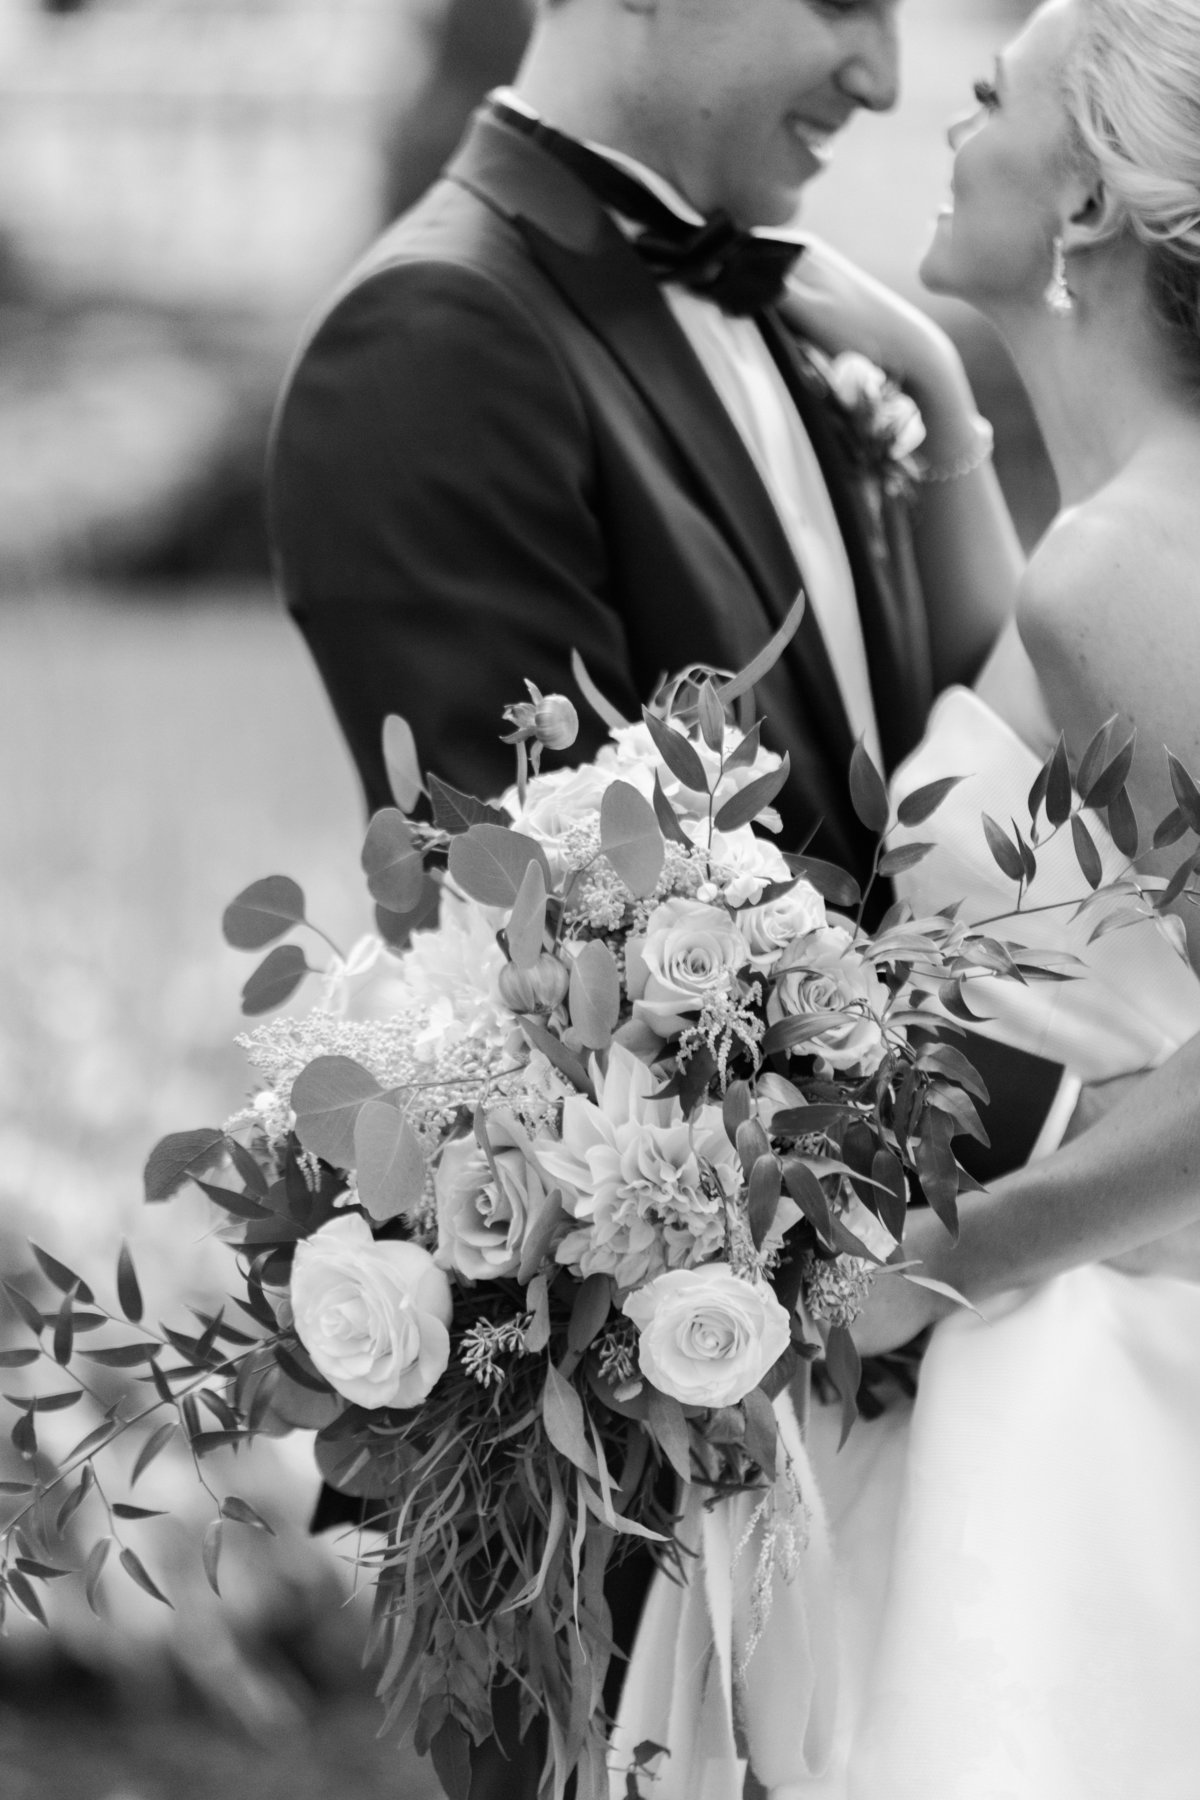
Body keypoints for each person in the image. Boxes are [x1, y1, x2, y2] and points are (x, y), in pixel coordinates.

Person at [268, 8, 1069, 1794]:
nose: (877, 77)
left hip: (914, 1402)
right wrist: (1114, 1132)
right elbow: (578, 971)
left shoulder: (855, 340)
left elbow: (967, 835)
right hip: (623, 1452)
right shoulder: (435, 340)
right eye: (842, 2)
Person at [617, 1, 1200, 1792]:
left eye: (982, 99)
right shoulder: (1116, 535)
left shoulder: (1120, 573)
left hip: (1063, 1377)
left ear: (1088, 202)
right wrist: (941, 389)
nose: (934, 123)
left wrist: (908, 1280)